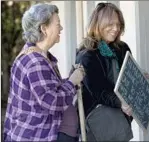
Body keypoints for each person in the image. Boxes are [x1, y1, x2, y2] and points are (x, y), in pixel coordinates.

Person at [3, 3, 85, 142]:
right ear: (44, 28)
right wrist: (72, 82)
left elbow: (46, 91)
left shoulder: (38, 56)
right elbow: (52, 102)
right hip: (40, 136)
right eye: (58, 24)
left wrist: (70, 78)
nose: (61, 28)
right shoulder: (36, 62)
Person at [76, 2, 133, 141]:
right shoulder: (87, 55)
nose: (115, 29)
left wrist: (137, 75)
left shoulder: (122, 48)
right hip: (98, 117)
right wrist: (121, 103)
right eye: (110, 24)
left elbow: (128, 77)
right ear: (98, 24)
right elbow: (98, 91)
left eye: (118, 25)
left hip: (119, 117)